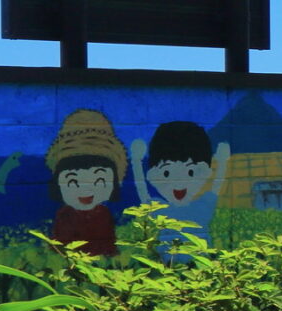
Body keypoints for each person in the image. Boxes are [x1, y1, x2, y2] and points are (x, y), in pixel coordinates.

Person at [130, 120, 231, 247]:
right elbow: (217, 185)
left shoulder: (201, 206)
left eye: (190, 172)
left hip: (192, 258)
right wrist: (222, 161)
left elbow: (142, 190)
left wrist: (136, 160)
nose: (179, 183)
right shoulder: (161, 208)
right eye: (166, 173)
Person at [48, 108, 124, 256]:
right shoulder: (65, 215)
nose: (85, 189)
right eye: (72, 181)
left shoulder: (104, 214)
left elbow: (109, 246)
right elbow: (60, 248)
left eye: (99, 179)